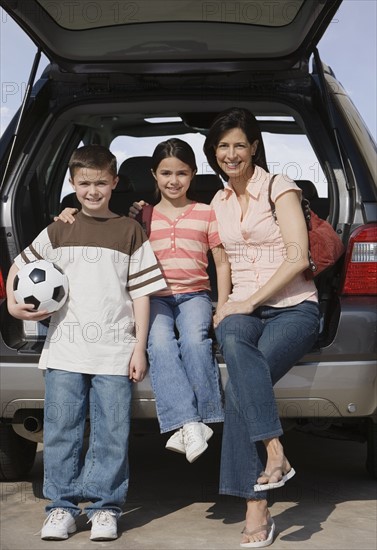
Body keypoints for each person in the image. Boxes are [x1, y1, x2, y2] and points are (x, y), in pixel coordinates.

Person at [6, 145, 166, 542]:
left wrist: (139, 346)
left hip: (114, 351)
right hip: (65, 350)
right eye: (84, 183)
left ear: (114, 183)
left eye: (100, 183)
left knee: (112, 433)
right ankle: (60, 507)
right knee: (62, 430)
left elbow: (142, 294)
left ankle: (104, 507)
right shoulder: (60, 229)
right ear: (73, 184)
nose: (92, 191)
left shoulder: (131, 231)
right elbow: (19, 265)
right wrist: (12, 304)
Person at [57, 138, 231, 464]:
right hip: (155, 298)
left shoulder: (207, 213)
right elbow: (99, 221)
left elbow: (221, 262)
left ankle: (206, 415)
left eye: (181, 173)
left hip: (195, 294)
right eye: (166, 173)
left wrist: (221, 306)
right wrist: (67, 213)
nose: (173, 180)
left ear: (193, 174)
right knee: (160, 343)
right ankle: (188, 423)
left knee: (195, 341)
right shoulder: (141, 217)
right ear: (154, 174)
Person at [204, 108, 321, 547]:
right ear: (213, 153)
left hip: (292, 308)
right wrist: (223, 306)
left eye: (239, 144)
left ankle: (257, 502)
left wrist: (247, 301)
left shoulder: (279, 188)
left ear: (254, 146)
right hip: (242, 310)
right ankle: (274, 455)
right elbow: (222, 260)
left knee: (239, 387)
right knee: (234, 342)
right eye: (222, 146)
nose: (231, 154)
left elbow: (296, 256)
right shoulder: (217, 201)